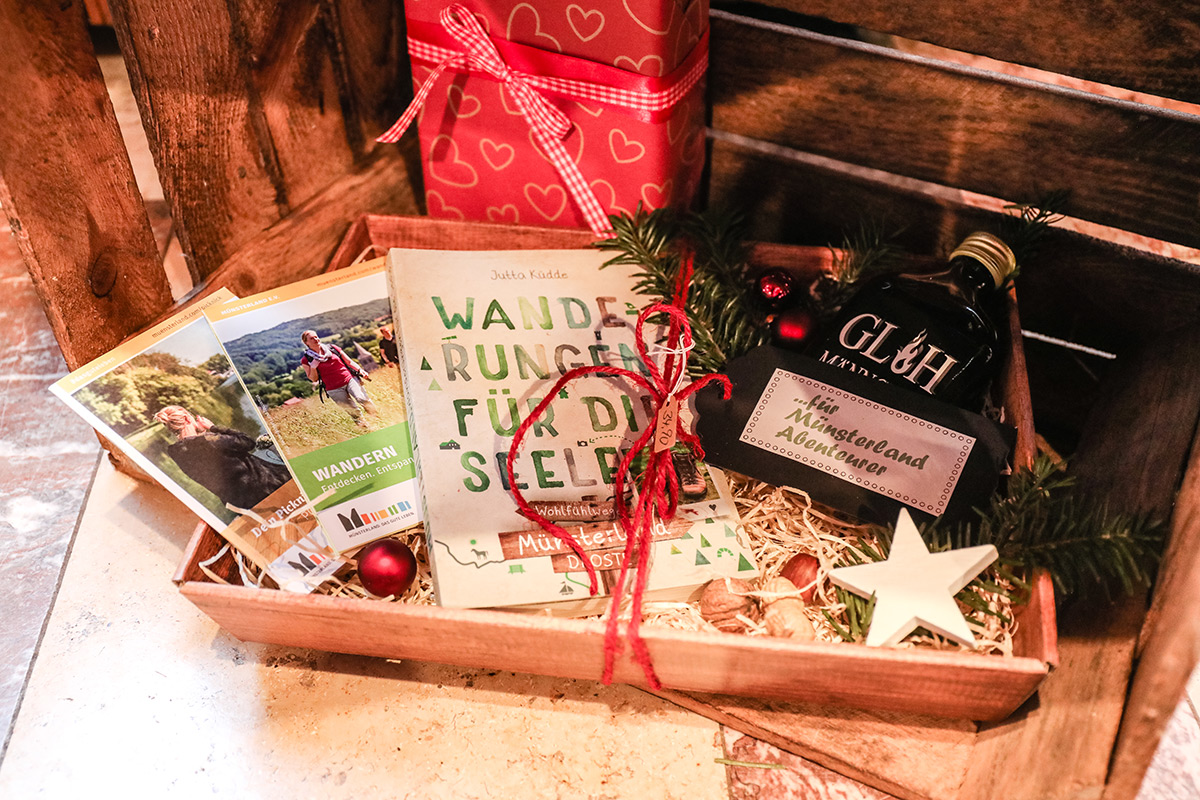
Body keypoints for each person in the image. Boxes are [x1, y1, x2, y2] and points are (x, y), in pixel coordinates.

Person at [154, 405, 291, 511]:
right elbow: (248, 442)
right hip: (267, 487)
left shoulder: (177, 453)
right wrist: (213, 427)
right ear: (187, 418)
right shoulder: (207, 441)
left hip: (241, 505)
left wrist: (202, 434)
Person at [300, 330, 378, 427]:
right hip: (333, 389)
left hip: (349, 379)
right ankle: (367, 428)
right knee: (353, 411)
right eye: (312, 338)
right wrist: (313, 367)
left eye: (316, 336)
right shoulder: (306, 360)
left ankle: (377, 418)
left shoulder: (332, 348)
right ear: (306, 342)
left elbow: (349, 361)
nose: (316, 339)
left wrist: (360, 370)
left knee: (361, 398)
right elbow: (313, 379)